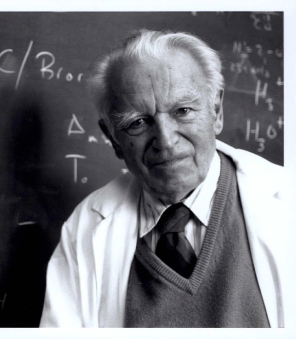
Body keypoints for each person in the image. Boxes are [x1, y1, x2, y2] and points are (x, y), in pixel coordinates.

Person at [39, 29, 289, 328]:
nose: (166, 141)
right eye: (138, 122)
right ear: (113, 139)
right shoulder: (86, 228)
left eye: (183, 111)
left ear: (216, 110)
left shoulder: (287, 200)